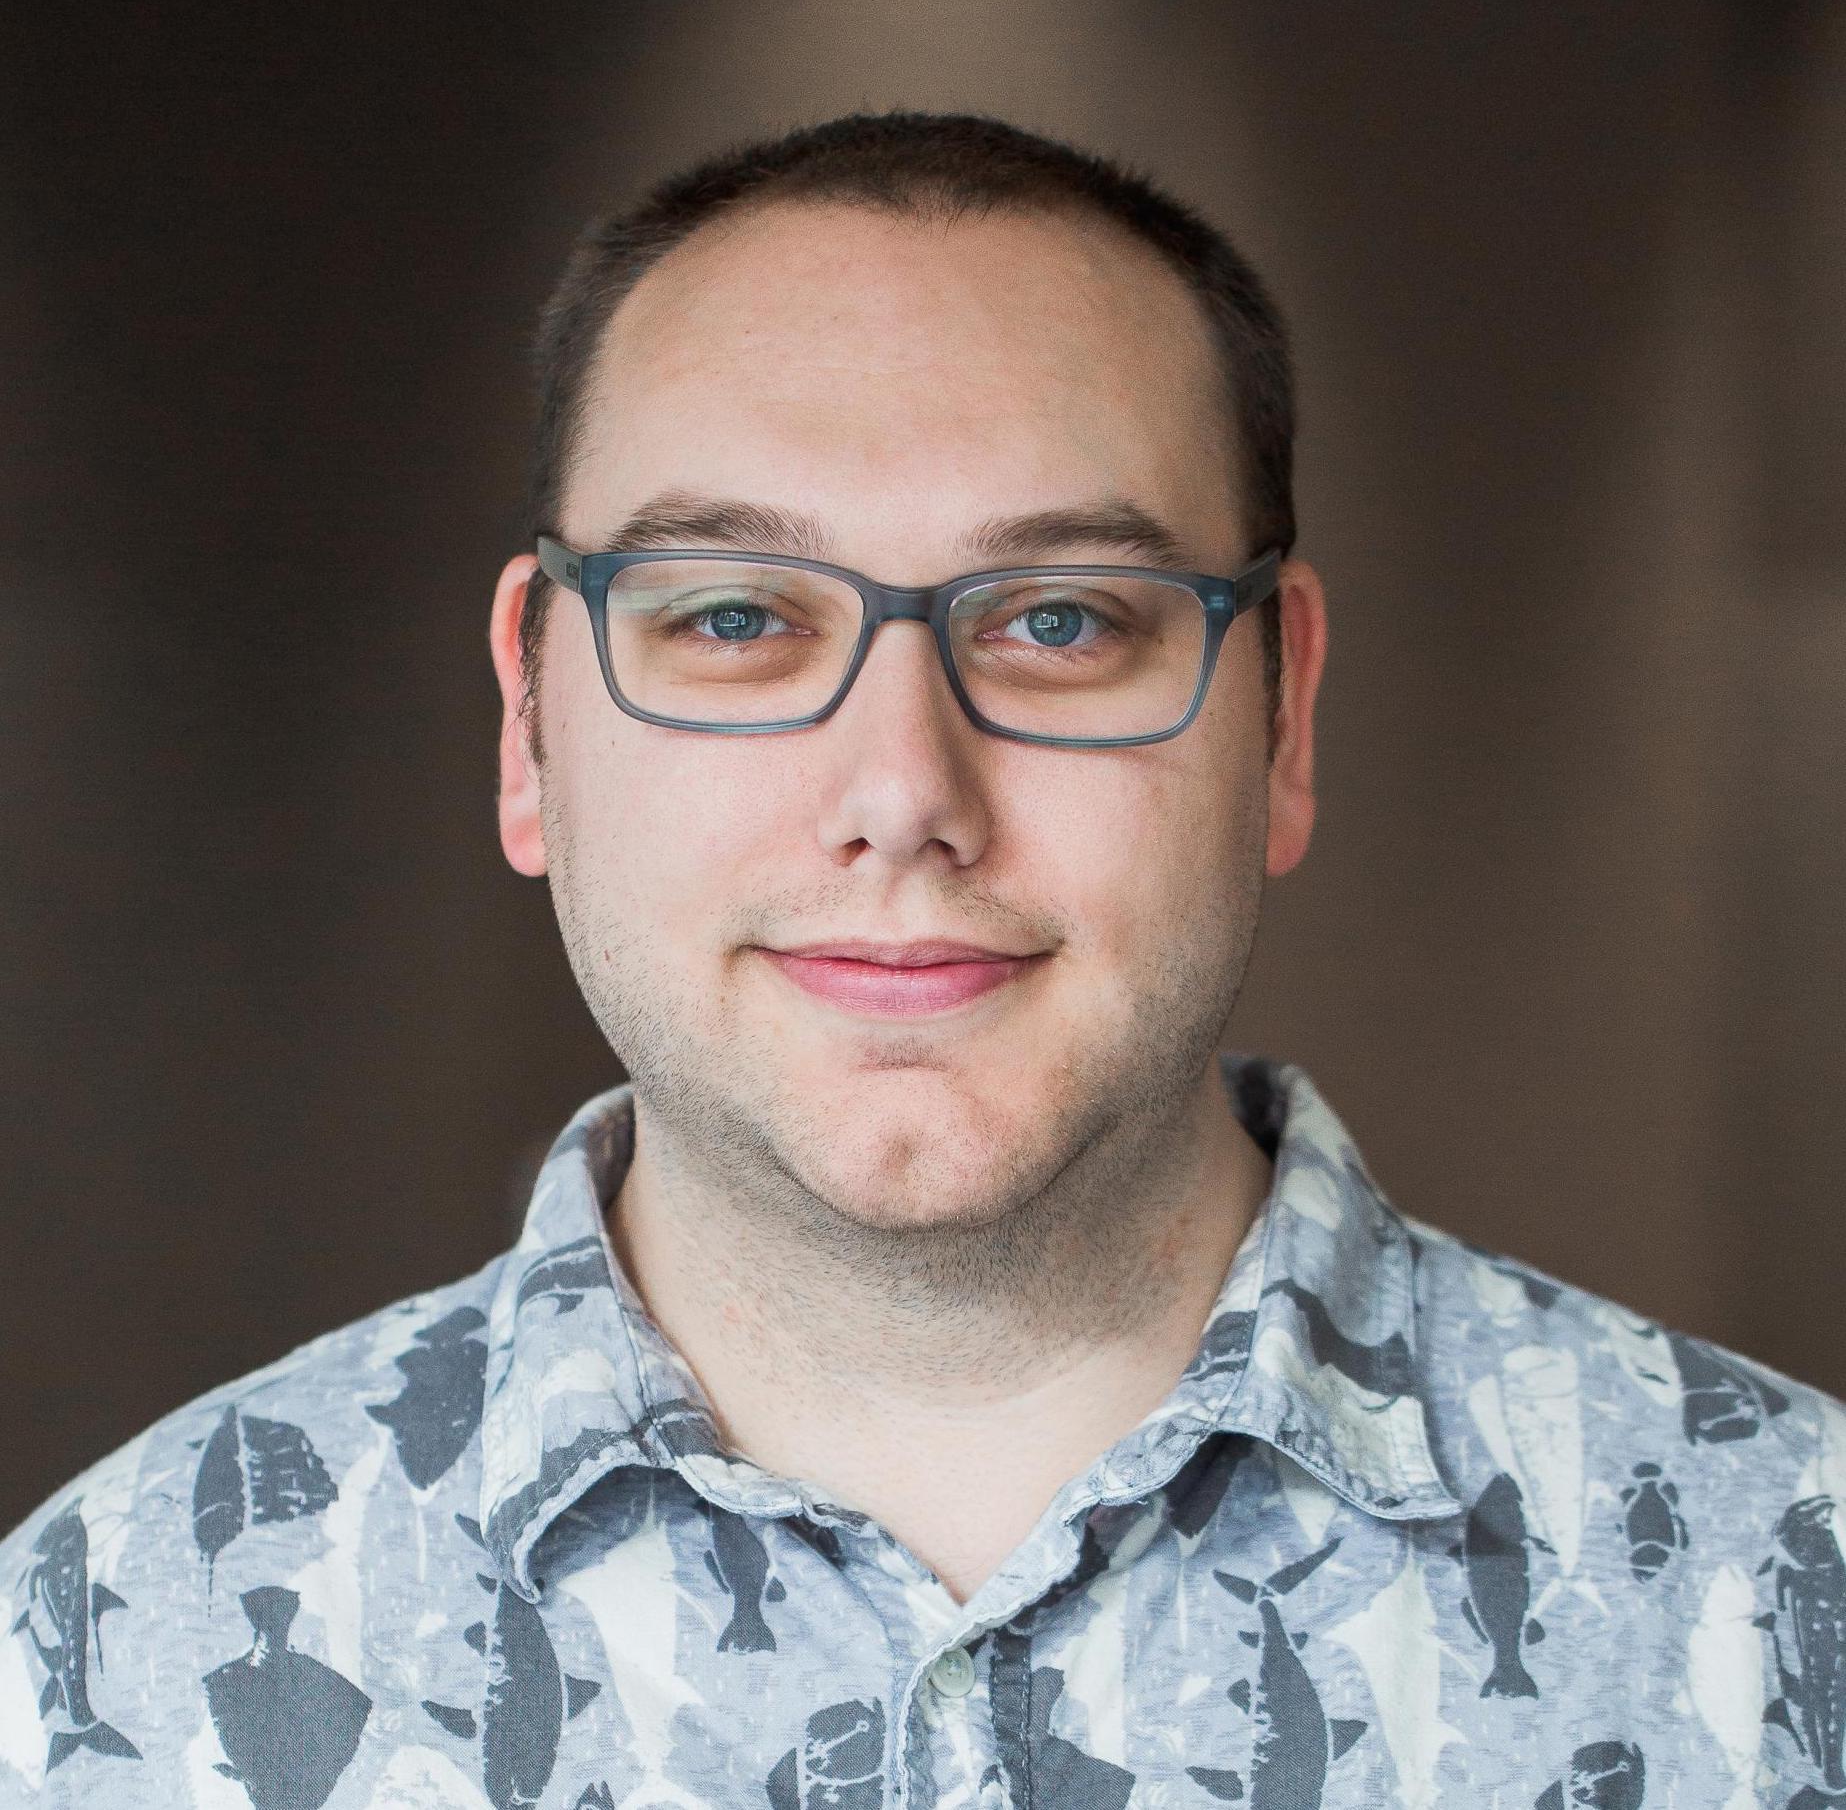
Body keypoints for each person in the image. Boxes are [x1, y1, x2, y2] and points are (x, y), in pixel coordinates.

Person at [1, 108, 1839, 1810]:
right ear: (528, 718)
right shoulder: (100, 1653)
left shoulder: (1793, 1590)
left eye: (1062, 620)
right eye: (735, 614)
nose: (902, 793)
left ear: (1280, 714)